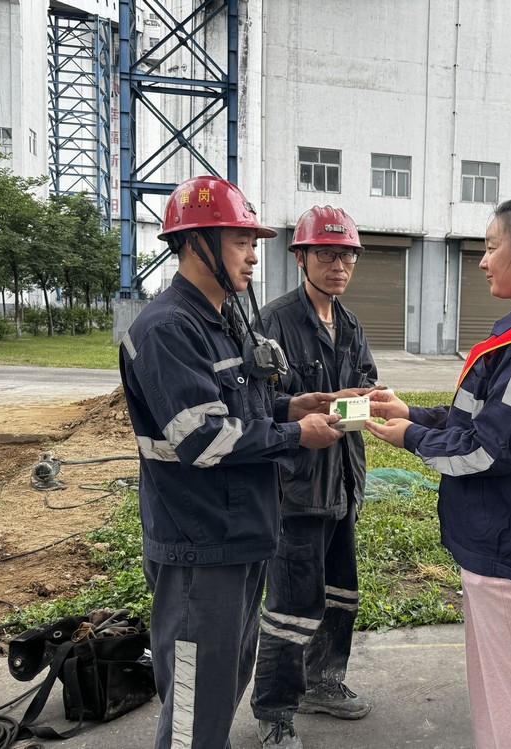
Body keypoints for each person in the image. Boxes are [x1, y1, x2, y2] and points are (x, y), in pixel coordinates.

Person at [119, 176, 345, 749]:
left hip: (239, 535)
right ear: (197, 244)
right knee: (196, 701)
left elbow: (235, 407)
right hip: (200, 545)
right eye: (241, 242)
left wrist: (290, 406)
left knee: (222, 685)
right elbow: (202, 439)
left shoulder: (221, 321)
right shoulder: (168, 328)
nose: (252, 255)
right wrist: (296, 434)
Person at [366, 198, 511, 749]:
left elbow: (492, 450)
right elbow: (479, 421)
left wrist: (411, 437)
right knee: (502, 695)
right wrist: (411, 413)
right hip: (499, 538)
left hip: (507, 543)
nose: (483, 261)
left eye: (492, 247)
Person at [250, 206, 377, 749]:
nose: (339, 265)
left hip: (342, 481)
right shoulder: (273, 324)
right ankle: (274, 711)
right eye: (326, 254)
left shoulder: (350, 324)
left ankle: (323, 682)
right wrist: (313, 408)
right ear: (301, 257)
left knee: (339, 594)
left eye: (347, 255)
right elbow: (256, 406)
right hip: (296, 489)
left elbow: (366, 388)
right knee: (291, 608)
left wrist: (358, 402)